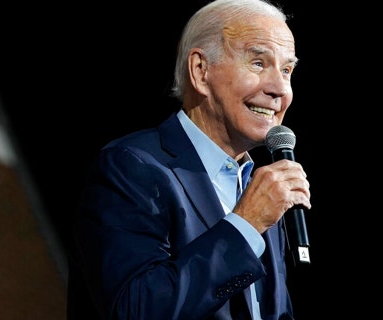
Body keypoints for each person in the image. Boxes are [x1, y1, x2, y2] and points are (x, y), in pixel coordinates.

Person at [66, 0, 311, 319]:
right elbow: (135, 309)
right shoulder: (132, 166)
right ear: (200, 71)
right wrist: (246, 224)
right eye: (258, 63)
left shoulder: (259, 188)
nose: (279, 88)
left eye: (287, 70)